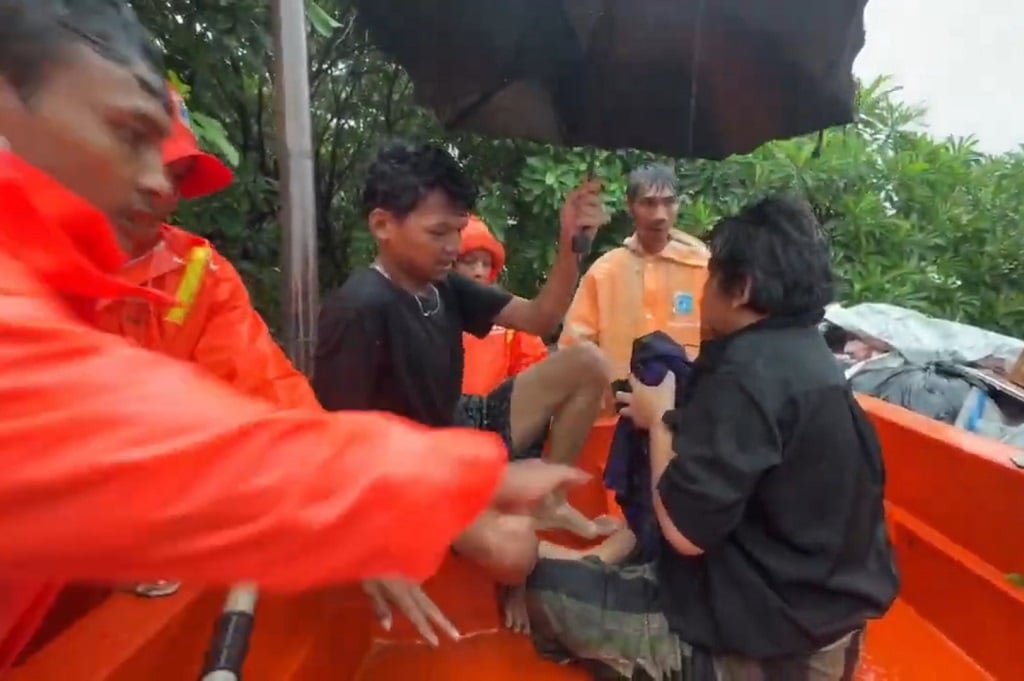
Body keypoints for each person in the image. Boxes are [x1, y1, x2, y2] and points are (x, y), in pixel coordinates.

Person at [0, 0, 586, 669]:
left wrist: (400, 500)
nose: (157, 185)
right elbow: (119, 431)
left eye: (179, 171)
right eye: (129, 136)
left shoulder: (199, 272)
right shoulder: (360, 305)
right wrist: (394, 502)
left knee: (583, 371)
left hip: (414, 453)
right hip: (374, 466)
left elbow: (277, 395)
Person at [525, 195, 900, 680]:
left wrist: (658, 416)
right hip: (825, 618)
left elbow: (684, 532)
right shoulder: (809, 355)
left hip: (765, 647)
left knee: (536, 587)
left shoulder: (748, 374)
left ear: (740, 288)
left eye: (712, 277)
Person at [313, 140, 619, 642]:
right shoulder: (357, 309)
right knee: (515, 553)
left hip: (464, 424)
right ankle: (535, 547)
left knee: (588, 363)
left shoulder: (443, 286)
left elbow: (540, 318)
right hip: (415, 477)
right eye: (439, 233)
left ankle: (549, 504)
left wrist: (571, 243)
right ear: (382, 225)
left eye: (457, 230)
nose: (454, 247)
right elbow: (334, 444)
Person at [560, 163, 710, 386]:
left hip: (687, 411)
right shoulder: (605, 272)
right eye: (648, 203)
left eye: (669, 202)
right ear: (630, 206)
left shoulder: (703, 268)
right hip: (615, 411)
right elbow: (572, 351)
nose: (659, 215)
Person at [455, 214, 548, 396]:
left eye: (486, 264)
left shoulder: (510, 317)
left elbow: (535, 372)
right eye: (469, 262)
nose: (479, 272)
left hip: (493, 420)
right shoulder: (428, 308)